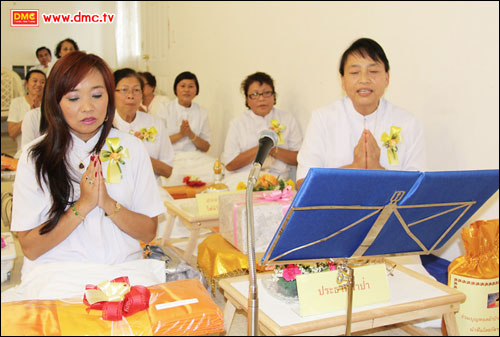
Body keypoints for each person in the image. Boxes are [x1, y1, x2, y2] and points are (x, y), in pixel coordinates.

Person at [11, 51, 165, 277]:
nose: (87, 107)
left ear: (109, 98)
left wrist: (107, 203)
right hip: (56, 276)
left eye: (96, 95)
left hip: (122, 273)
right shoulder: (35, 156)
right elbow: (31, 249)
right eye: (74, 98)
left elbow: (148, 232)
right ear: (56, 102)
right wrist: (83, 205)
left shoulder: (132, 148)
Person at [296, 38, 426, 189]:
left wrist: (377, 169)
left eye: (373, 71)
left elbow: (418, 187)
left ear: (387, 78)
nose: (364, 79)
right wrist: (355, 167)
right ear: (342, 81)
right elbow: (303, 183)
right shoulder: (323, 119)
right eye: (355, 72)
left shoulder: (407, 122)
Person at [222, 71, 303, 181]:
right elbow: (230, 165)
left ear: (274, 96)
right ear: (247, 99)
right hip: (244, 179)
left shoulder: (287, 119)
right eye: (255, 94)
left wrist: (272, 149)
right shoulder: (237, 124)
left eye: (266, 93)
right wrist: (262, 147)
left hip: (277, 180)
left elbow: (299, 158)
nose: (261, 99)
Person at [112, 68, 174, 182]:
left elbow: (167, 170)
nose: (131, 95)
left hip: (151, 191)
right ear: (112, 93)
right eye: (124, 90)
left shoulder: (155, 124)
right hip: (115, 194)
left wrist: (138, 154)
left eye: (136, 90)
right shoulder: (104, 126)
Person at [164, 71, 211, 153]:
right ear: (175, 89)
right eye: (182, 86)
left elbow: (206, 147)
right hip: (170, 157)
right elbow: (158, 143)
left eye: (191, 86)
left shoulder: (202, 112)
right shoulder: (164, 109)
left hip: (195, 157)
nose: (186, 90)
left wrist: (190, 134)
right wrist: (181, 134)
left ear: (196, 90)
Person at [7, 69, 46, 158]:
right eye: (35, 81)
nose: (39, 85)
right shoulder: (17, 102)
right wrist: (31, 115)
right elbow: (12, 133)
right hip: (23, 153)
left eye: (42, 82)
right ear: (26, 84)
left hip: (46, 153)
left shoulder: (50, 104)